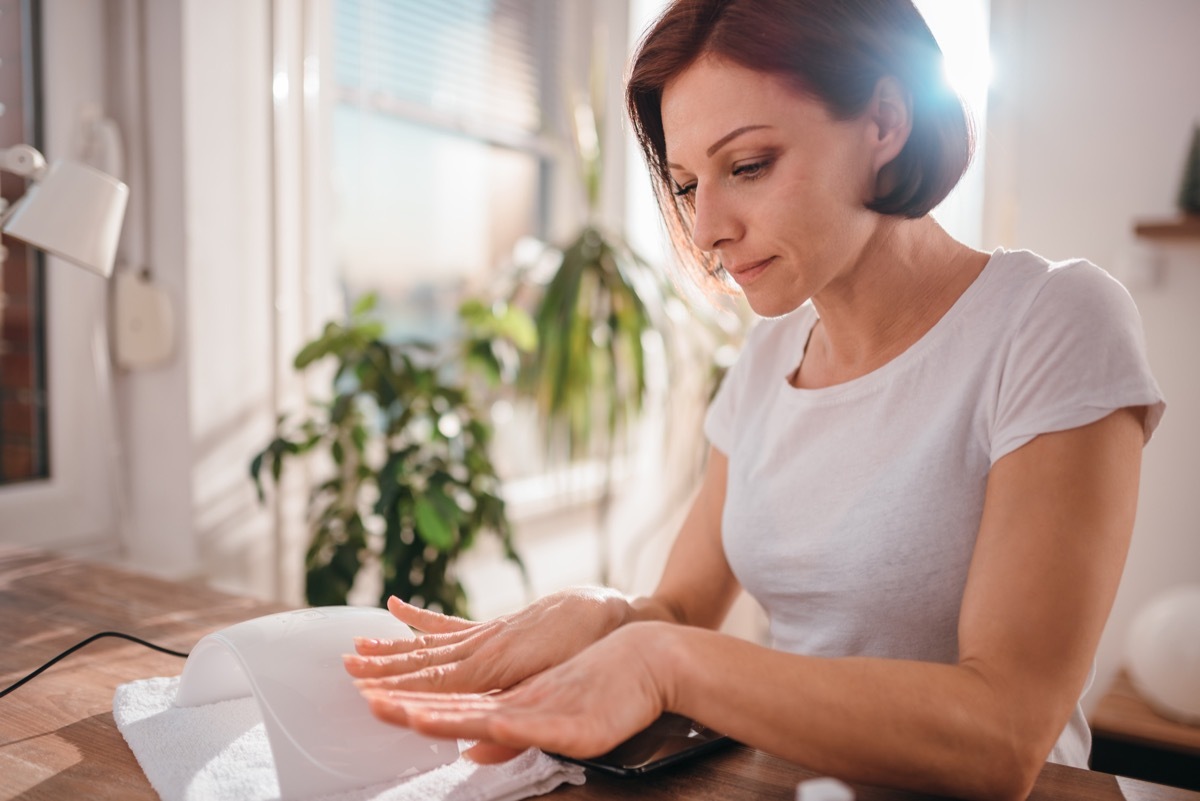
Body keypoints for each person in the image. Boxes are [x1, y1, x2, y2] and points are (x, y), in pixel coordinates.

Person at [342, 1, 1166, 799]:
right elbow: (680, 607)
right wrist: (604, 614)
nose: (705, 229)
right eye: (689, 183)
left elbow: (1004, 732)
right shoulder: (768, 355)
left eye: (747, 166)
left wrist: (667, 662)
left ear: (885, 121)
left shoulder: (1051, 321)